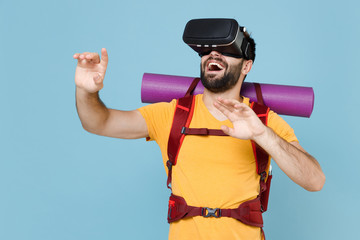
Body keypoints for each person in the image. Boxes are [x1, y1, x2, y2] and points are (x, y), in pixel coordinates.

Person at [74, 23, 325, 240]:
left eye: (227, 50)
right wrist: (87, 91)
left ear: (246, 66)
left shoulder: (263, 120)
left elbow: (315, 181)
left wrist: (261, 134)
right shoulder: (172, 114)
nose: (213, 54)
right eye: (207, 50)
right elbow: (99, 123)